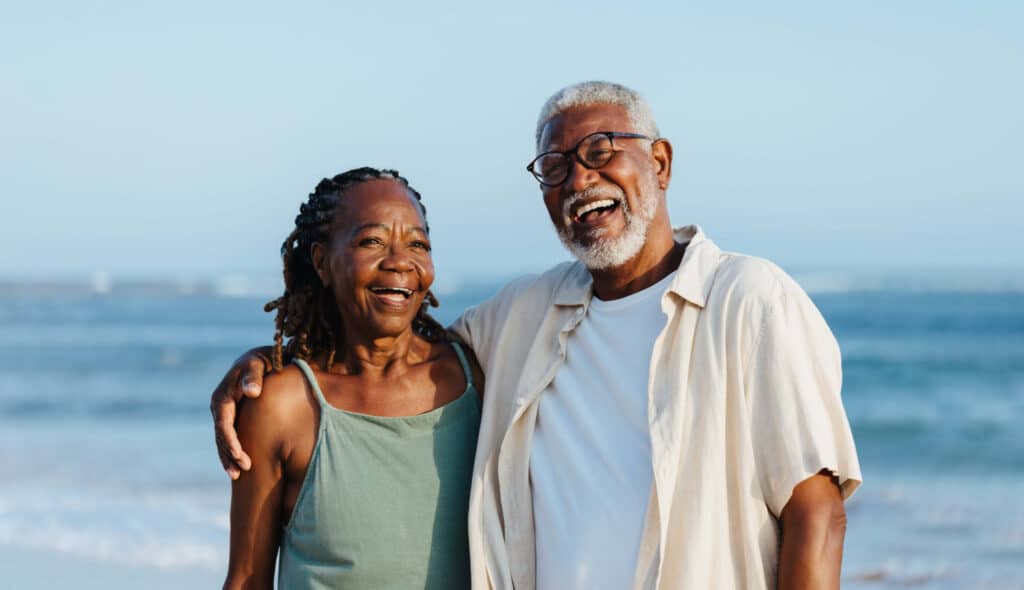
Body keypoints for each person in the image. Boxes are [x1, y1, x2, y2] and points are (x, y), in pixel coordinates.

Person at [212, 82, 862, 590]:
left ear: (660, 162)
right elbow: (384, 347)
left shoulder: (750, 299)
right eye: (555, 167)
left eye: (602, 152)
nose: (579, 179)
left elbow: (816, 512)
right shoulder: (524, 316)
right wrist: (269, 362)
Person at [222, 167, 483, 590]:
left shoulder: (474, 379)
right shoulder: (284, 405)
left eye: (418, 244)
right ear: (322, 263)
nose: (400, 261)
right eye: (372, 241)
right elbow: (247, 580)